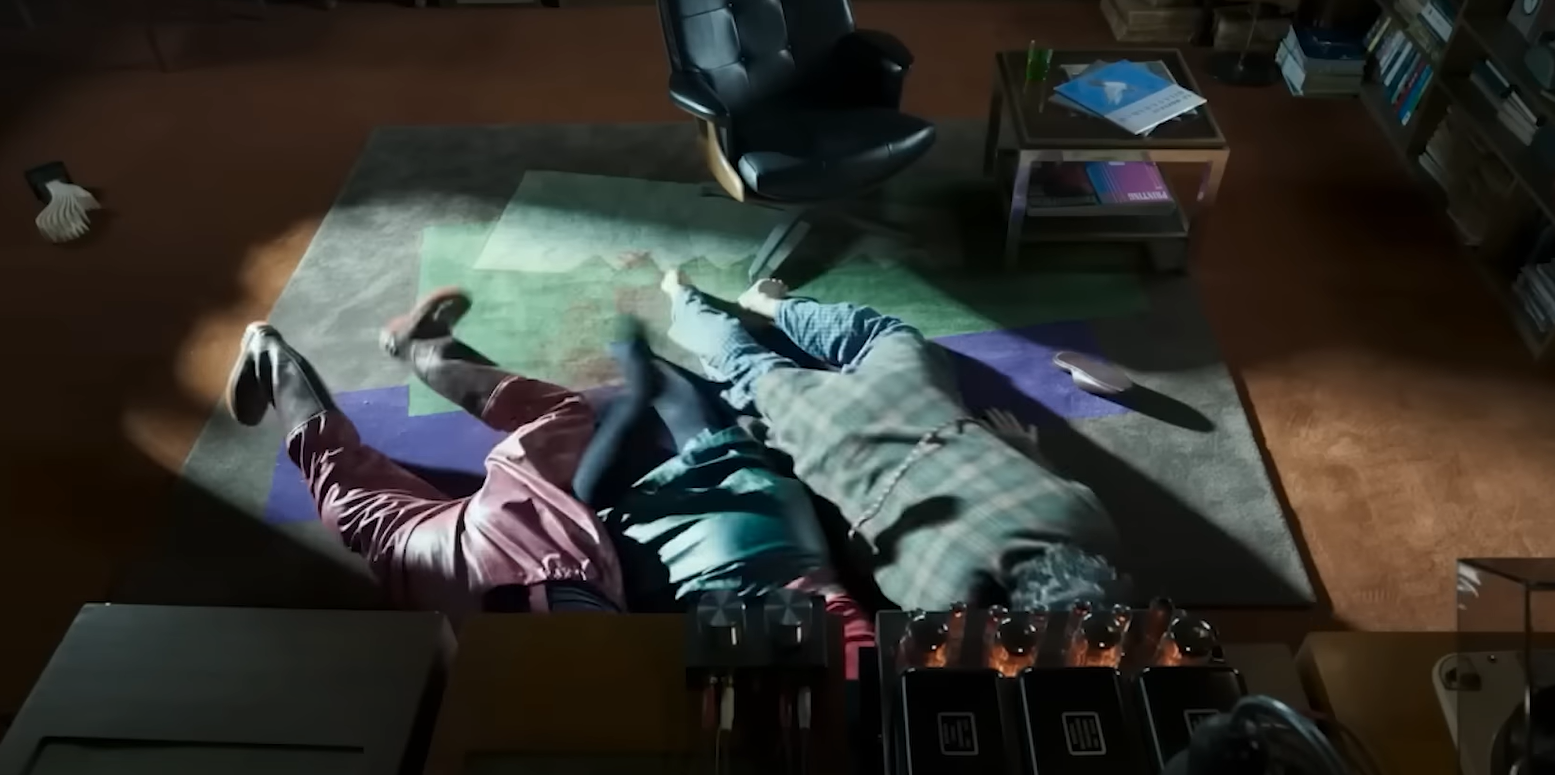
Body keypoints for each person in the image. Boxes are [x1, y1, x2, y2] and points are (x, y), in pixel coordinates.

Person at [659, 270, 1128, 612]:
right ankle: (680, 296)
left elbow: (1051, 483)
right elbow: (870, 561)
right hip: (834, 438)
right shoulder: (936, 601)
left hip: (915, 402)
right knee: (754, 371)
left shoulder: (1092, 526)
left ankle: (772, 307)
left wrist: (1022, 448)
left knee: (889, 335)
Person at [225, 288, 625, 623]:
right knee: (344, 486)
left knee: (563, 414)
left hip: (546, 542)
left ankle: (428, 349)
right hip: (460, 580)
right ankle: (268, 358)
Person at [572, 331, 876, 678]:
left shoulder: (878, 686)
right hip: (734, 570)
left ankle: (640, 388)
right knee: (585, 513)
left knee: (704, 445)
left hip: (777, 541)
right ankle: (641, 390)